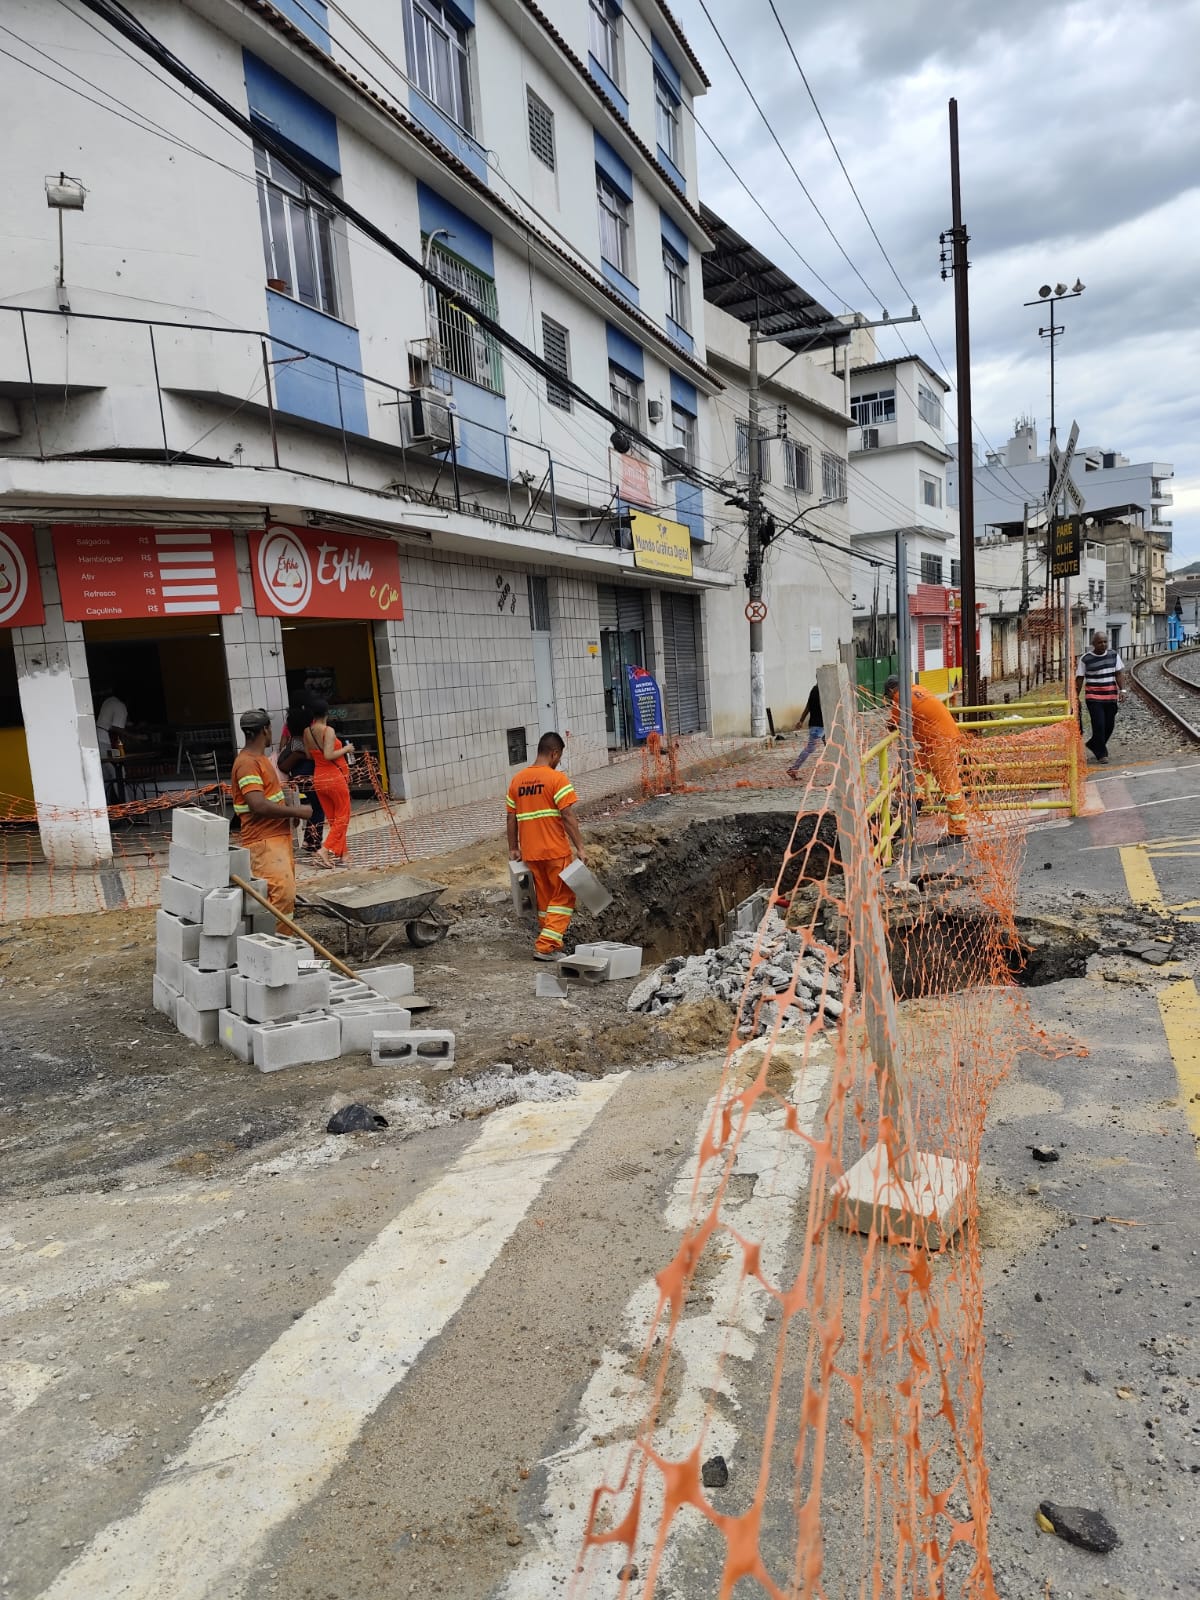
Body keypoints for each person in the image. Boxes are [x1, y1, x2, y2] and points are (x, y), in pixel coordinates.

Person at [230, 708, 312, 933]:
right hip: (264, 843)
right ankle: (275, 948)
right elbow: (257, 804)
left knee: (284, 897)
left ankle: (284, 943)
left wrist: (287, 814)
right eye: (270, 728)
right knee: (279, 897)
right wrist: (296, 812)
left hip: (276, 839)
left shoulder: (260, 760)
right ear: (265, 730)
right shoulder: (248, 763)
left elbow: (269, 798)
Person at [506, 732, 586, 961]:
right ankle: (545, 945)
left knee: (545, 900)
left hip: (531, 853)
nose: (558, 761)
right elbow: (567, 815)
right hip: (554, 851)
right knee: (565, 897)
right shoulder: (556, 779)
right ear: (554, 753)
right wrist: (580, 847)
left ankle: (552, 945)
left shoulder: (517, 780)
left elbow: (511, 818)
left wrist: (514, 847)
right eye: (559, 757)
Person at [884, 674, 969, 840]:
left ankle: (959, 832)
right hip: (941, 743)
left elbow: (893, 725)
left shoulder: (900, 698)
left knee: (950, 790)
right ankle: (915, 800)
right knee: (912, 763)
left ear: (890, 690)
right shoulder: (918, 689)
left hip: (941, 746)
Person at [302, 698, 354, 869]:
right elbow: (329, 755)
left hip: (319, 777)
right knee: (343, 815)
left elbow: (310, 756)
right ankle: (325, 849)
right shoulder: (328, 730)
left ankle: (343, 854)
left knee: (334, 817)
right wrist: (346, 749)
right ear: (326, 713)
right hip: (333, 777)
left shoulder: (307, 731)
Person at [277, 701, 325, 856]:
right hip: (308, 776)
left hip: (299, 777)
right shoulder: (302, 742)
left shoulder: (292, 741)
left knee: (315, 807)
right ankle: (313, 842)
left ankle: (310, 840)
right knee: (319, 808)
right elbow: (311, 756)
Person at [1076, 630, 1127, 764]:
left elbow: (1118, 674)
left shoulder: (1113, 655)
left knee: (1109, 725)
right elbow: (1080, 678)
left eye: (1105, 642)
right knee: (1098, 724)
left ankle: (1094, 744)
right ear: (1093, 643)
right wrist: (1076, 697)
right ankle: (1101, 754)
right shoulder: (1085, 659)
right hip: (1094, 698)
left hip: (1110, 696)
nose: (1103, 644)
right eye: (1100, 642)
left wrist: (1123, 690)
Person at [785, 683, 825, 780]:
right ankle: (793, 769)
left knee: (832, 746)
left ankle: (839, 771)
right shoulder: (822, 690)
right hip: (819, 726)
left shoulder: (814, 690)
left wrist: (801, 720)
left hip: (821, 725)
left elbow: (808, 707)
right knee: (810, 748)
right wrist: (801, 721)